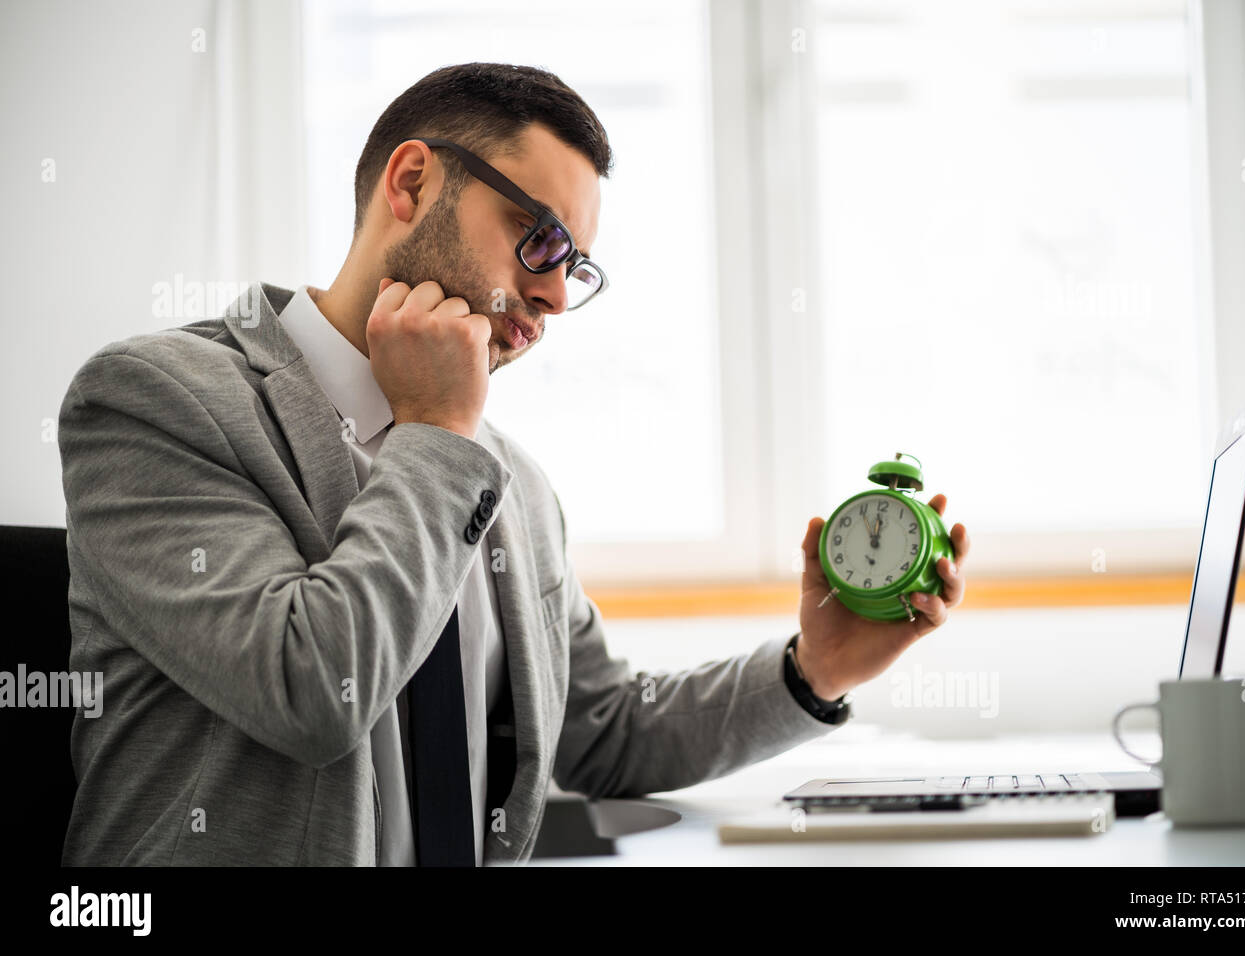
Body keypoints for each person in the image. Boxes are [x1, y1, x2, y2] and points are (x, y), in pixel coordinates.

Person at [59, 62, 970, 866]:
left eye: (576, 268)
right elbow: (310, 692)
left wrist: (814, 671)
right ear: (411, 182)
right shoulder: (155, 399)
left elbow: (606, 734)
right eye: (538, 238)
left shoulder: (510, 482)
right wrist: (438, 439)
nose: (553, 296)